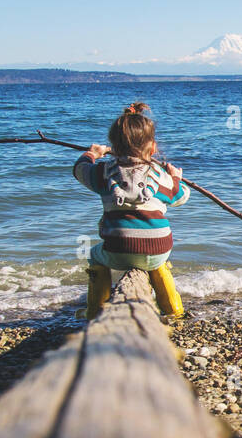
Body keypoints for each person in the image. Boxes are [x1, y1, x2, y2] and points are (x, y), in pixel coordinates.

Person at [73, 102, 189, 319]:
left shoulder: (103, 172)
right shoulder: (160, 175)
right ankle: (174, 309)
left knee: (94, 256)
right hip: (159, 247)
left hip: (118, 249)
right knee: (159, 262)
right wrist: (175, 177)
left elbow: (79, 170)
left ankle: (95, 311)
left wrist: (91, 154)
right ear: (153, 148)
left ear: (113, 147)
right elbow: (181, 197)